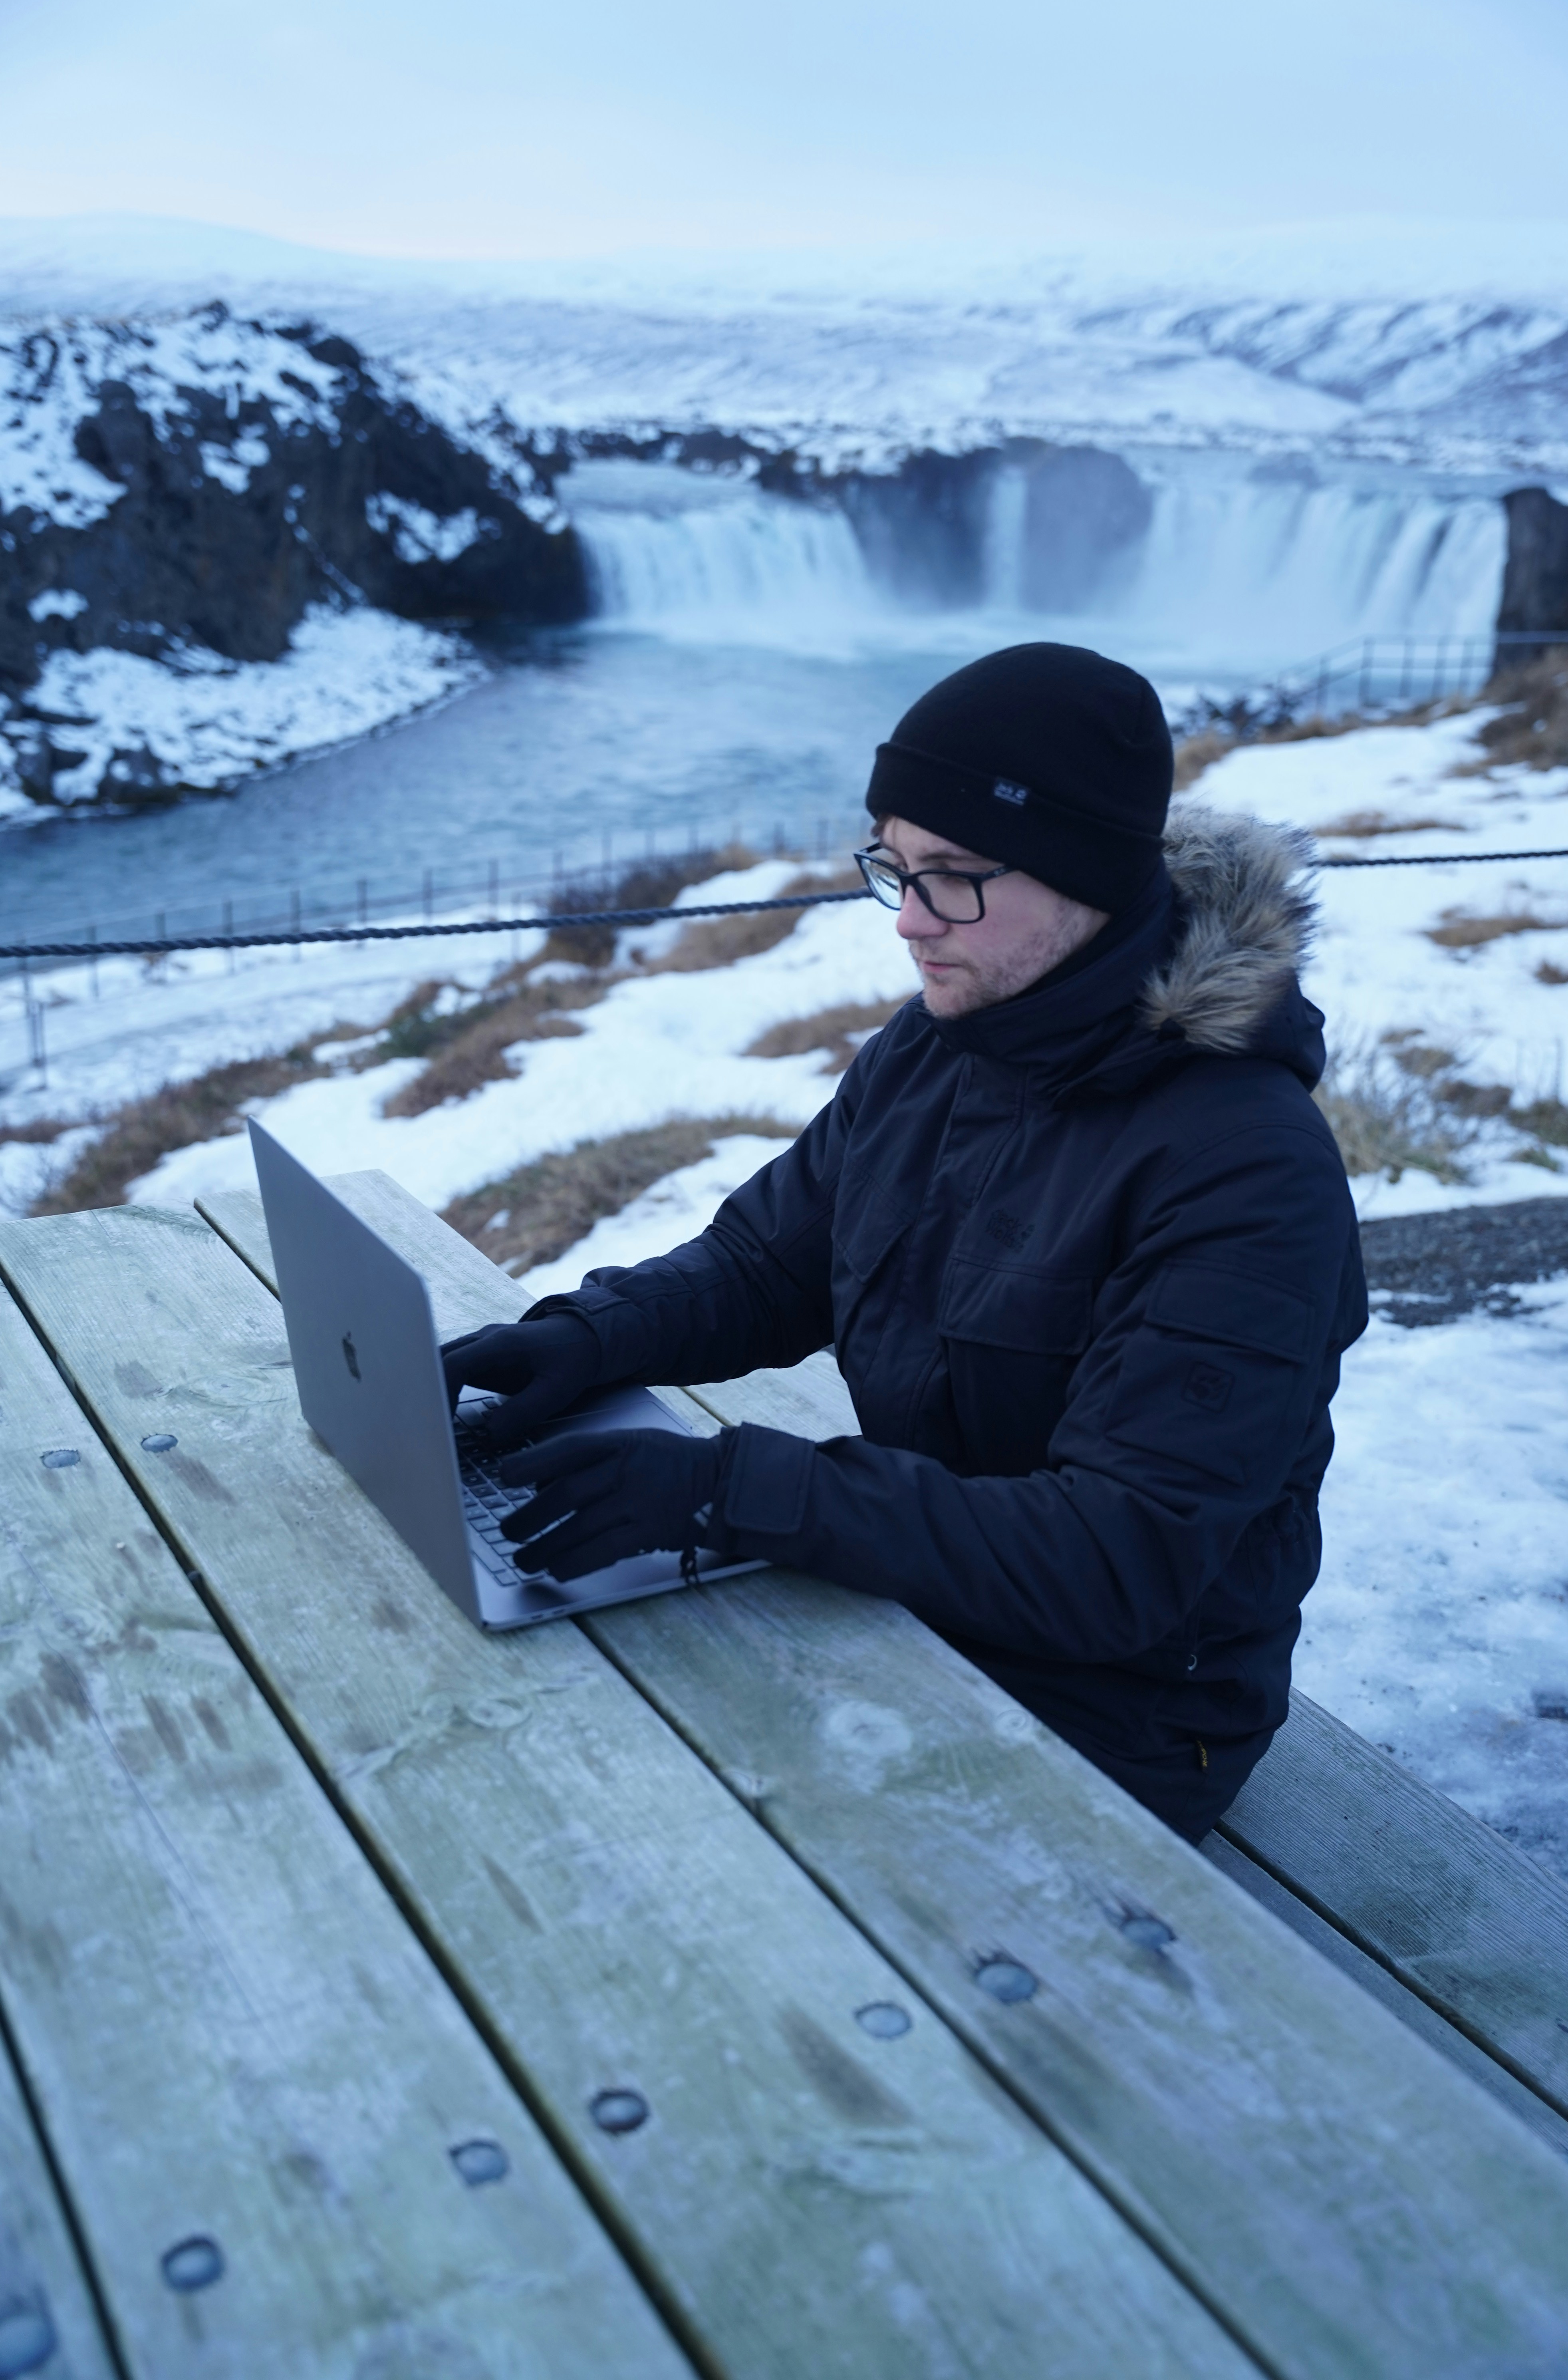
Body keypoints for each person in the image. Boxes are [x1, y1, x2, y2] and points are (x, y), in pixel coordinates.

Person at [442, 643, 1368, 1841]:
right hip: (908, 1604)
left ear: (1085, 878)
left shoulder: (1247, 1169)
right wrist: (585, 1339)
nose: (911, 924)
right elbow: (770, 1263)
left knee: (619, 1824)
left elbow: (1115, 1559)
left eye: (954, 878)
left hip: (1118, 1722)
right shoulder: (947, 1041)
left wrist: (729, 1492)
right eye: (894, 867)